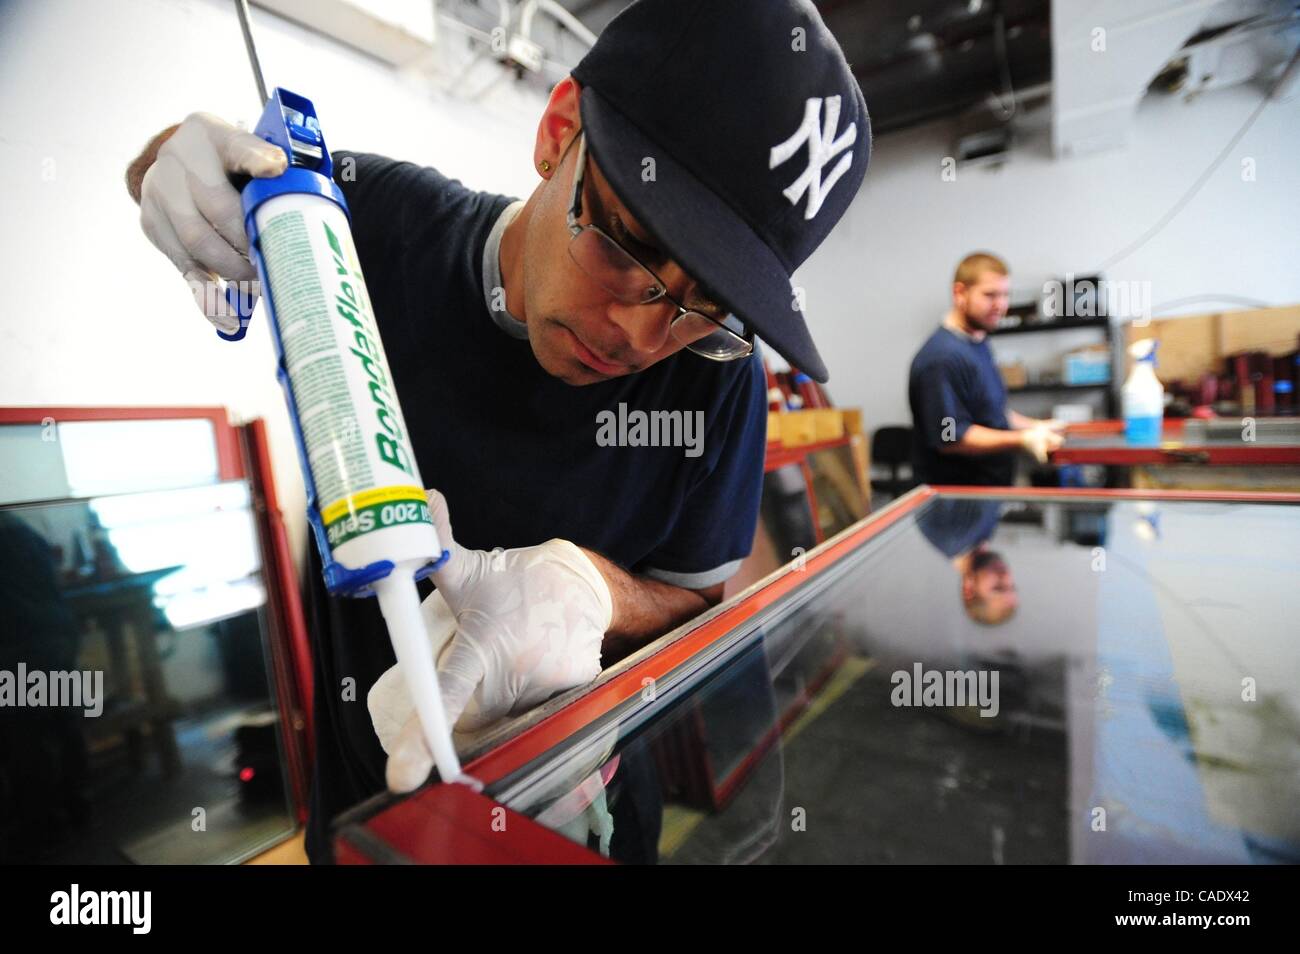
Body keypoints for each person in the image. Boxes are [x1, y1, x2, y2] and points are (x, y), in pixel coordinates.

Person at [125, 0, 871, 863]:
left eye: (708, 307)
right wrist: (171, 167)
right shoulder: (367, 227)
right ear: (558, 132)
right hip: (376, 808)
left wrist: (593, 592)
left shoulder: (718, 379)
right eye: (627, 246)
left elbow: (701, 603)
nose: (641, 334)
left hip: (577, 816)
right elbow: (183, 176)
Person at [908, 253, 1064, 486]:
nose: (1000, 305)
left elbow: (990, 410)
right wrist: (1022, 439)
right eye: (990, 295)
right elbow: (950, 437)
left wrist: (1035, 426)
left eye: (1005, 295)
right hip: (957, 503)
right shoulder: (942, 359)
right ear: (959, 293)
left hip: (988, 492)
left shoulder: (977, 343)